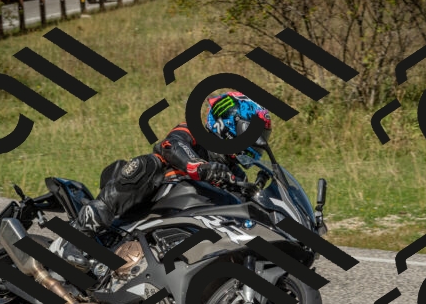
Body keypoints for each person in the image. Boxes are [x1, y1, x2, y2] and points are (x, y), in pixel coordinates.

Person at [51, 92, 272, 271]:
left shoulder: (236, 176)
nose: (258, 142)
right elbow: (172, 145)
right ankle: (77, 237)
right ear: (228, 123)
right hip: (146, 206)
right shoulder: (195, 134)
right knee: (148, 164)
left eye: (262, 136)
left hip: (187, 234)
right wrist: (198, 166)